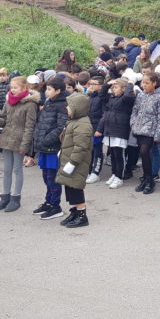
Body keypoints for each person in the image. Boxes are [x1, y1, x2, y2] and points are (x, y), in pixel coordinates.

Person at [0, 76, 39, 213]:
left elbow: (30, 127)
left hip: (19, 142)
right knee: (6, 170)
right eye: (11, 87)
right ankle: (5, 197)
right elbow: (4, 121)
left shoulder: (30, 105)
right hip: (6, 140)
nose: (12, 90)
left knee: (17, 170)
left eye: (15, 87)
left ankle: (15, 198)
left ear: (24, 88)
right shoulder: (8, 102)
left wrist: (25, 146)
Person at [31, 76, 69, 219]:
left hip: (53, 147)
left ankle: (56, 206)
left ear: (58, 90)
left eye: (49, 89)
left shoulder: (63, 105)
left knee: (53, 178)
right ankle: (48, 201)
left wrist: (45, 140)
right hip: (44, 147)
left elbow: (61, 128)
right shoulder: (50, 102)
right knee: (46, 176)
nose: (46, 92)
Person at [56, 93, 94, 228]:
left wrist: (72, 163)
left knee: (76, 188)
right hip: (69, 160)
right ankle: (74, 212)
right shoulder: (74, 121)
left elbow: (81, 147)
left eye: (70, 106)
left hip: (76, 163)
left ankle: (82, 215)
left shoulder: (82, 125)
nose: (67, 108)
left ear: (78, 108)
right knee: (69, 186)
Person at [129, 72, 160, 194]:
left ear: (154, 83)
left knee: (145, 152)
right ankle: (146, 178)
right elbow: (135, 111)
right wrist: (133, 124)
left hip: (151, 131)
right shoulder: (140, 96)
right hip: (139, 129)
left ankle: (150, 180)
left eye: (147, 83)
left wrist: (158, 135)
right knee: (144, 154)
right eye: (143, 82)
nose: (144, 85)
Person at [96, 77, 137, 189]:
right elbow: (101, 95)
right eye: (113, 87)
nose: (114, 89)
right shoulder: (112, 98)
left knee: (119, 155)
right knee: (112, 154)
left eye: (116, 87)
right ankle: (114, 174)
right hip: (110, 129)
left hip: (120, 129)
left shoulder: (126, 99)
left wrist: (129, 84)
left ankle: (119, 177)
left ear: (123, 89)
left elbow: (129, 95)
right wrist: (108, 84)